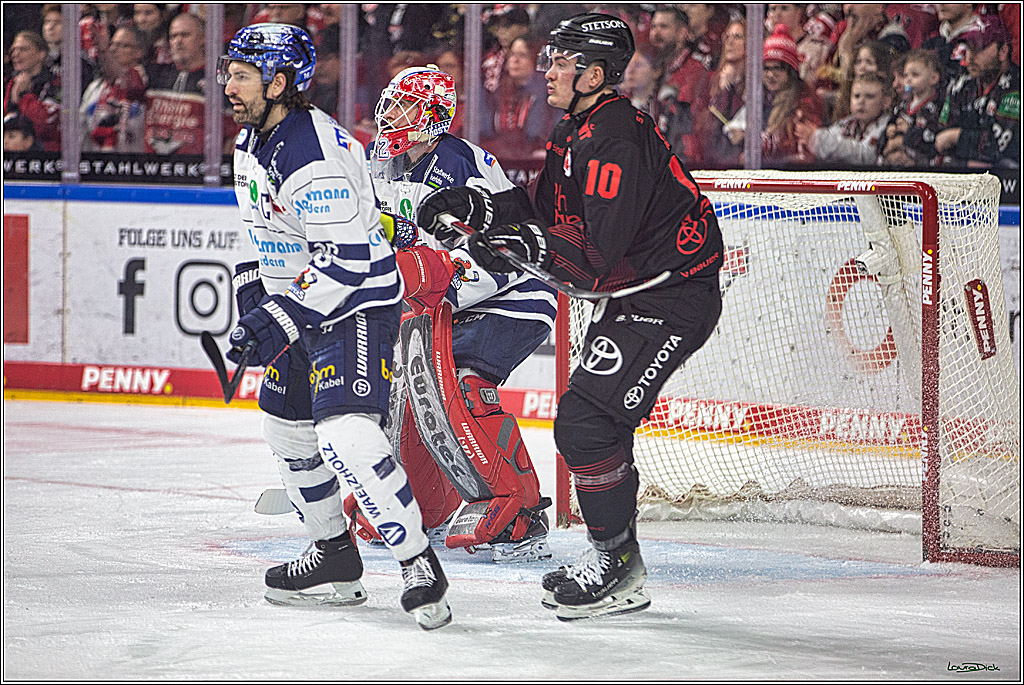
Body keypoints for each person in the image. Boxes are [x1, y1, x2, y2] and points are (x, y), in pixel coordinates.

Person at [415, 13, 724, 620]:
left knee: (586, 424)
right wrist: (478, 208)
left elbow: (589, 267)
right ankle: (616, 557)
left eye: (561, 62)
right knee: (589, 424)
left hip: (671, 295)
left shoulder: (613, 137)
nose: (547, 71)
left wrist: (503, 238)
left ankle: (616, 564)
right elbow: (544, 217)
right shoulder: (576, 129)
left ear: (595, 73)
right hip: (638, 294)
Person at [218, 22, 451, 630]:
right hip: (303, 304)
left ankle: (417, 562)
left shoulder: (311, 152)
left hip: (354, 307)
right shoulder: (253, 140)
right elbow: (265, 231)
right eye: (230, 73)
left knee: (346, 435)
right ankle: (334, 554)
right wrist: (254, 296)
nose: (229, 86)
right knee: (288, 430)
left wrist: (280, 315)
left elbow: (346, 261)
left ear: (280, 81)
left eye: (241, 75)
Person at [363, 63, 556, 562]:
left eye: (404, 106)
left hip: (510, 294)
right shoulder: (378, 158)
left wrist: (431, 279)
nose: (390, 115)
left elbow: (501, 254)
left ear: (432, 115)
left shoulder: (464, 165)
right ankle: (423, 504)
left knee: (462, 383)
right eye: (391, 102)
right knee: (404, 390)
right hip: (438, 294)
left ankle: (522, 515)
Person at [935, 15, 1019, 168]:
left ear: (1003, 51)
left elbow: (999, 146)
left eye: (979, 48)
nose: (970, 56)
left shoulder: (1016, 86)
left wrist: (957, 136)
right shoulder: (963, 84)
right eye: (968, 48)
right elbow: (940, 136)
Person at [794, 71, 891, 165]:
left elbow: (866, 155)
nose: (861, 102)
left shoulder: (888, 126)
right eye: (856, 96)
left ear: (886, 102)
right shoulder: (846, 122)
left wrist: (820, 139)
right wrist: (811, 137)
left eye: (869, 97)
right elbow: (828, 136)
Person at [80, 25, 148, 152]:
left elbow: (124, 77)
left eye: (123, 45)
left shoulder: (146, 82)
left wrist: (104, 51)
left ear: (139, 52)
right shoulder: (95, 88)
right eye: (112, 44)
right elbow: (81, 130)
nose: (114, 49)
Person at [880, 49, 945, 167]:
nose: (908, 79)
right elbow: (889, 125)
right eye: (905, 75)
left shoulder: (935, 109)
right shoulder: (902, 106)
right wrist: (889, 130)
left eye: (915, 75)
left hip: (922, 165)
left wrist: (908, 132)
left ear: (933, 78)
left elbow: (931, 140)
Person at [3, 31, 60, 152]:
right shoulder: (7, 83)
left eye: (23, 49)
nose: (15, 54)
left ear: (41, 54)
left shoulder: (55, 82)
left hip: (45, 157)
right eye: (13, 50)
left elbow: (45, 125)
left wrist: (24, 96)